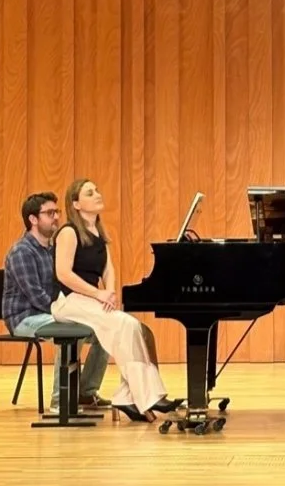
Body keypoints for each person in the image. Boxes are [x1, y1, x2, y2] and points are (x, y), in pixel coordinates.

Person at [50, 178, 180, 422]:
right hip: (68, 301)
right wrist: (98, 294)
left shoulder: (98, 233)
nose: (97, 194)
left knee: (132, 328)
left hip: (88, 299)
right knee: (127, 325)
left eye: (97, 190)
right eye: (90, 193)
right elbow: (63, 274)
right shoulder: (68, 232)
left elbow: (108, 269)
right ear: (76, 204)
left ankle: (128, 397)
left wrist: (109, 293)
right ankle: (144, 397)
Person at [2, 192, 111, 412]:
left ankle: (86, 392)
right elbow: (35, 295)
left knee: (105, 328)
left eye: (57, 212)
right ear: (33, 219)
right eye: (50, 213)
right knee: (71, 327)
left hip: (50, 312)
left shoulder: (54, 249)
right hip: (25, 318)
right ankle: (60, 400)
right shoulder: (21, 252)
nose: (56, 217)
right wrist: (68, 311)